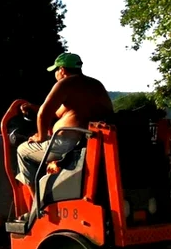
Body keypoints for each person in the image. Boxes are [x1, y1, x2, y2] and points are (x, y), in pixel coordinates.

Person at [16, 53, 114, 198]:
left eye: (56, 70)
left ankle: (36, 204)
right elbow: (58, 112)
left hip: (67, 144)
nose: (55, 74)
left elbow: (44, 113)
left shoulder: (65, 83)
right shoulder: (95, 84)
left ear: (62, 69)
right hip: (90, 141)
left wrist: (40, 136)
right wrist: (32, 107)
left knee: (22, 151)